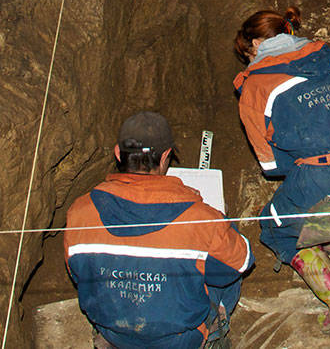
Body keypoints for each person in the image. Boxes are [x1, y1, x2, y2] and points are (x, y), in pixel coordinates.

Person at [232, 6, 330, 333]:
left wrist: (310, 156)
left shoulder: (254, 87)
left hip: (327, 179)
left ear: (255, 47)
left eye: (246, 53)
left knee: (274, 225)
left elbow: (271, 166)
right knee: (325, 188)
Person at [65, 112, 254, 349]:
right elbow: (242, 262)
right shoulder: (199, 220)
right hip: (180, 340)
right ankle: (213, 332)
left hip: (114, 332)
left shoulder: (80, 211)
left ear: (117, 152)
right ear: (166, 156)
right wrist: (215, 220)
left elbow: (78, 274)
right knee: (223, 257)